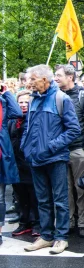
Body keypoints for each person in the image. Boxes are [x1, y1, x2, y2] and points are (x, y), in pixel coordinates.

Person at [22, 65, 80, 254]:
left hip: (55, 158)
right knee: (43, 200)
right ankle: (46, 236)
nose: (29, 83)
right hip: (36, 158)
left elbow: (74, 130)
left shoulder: (61, 99)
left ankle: (61, 237)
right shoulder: (33, 99)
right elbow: (28, 128)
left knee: (60, 200)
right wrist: (26, 147)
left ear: (44, 80)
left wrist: (51, 146)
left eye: (32, 79)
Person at [54, 65, 84, 238]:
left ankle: (82, 223)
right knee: (65, 190)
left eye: (58, 75)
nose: (55, 78)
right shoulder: (56, 97)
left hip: (79, 150)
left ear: (70, 77)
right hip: (60, 151)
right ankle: (70, 222)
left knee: (82, 189)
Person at [9, 90, 40, 237]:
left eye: (26, 102)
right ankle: (24, 221)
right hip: (16, 164)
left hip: (31, 163)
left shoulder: (34, 118)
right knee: (21, 195)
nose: (23, 105)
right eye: (20, 102)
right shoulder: (12, 121)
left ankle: (36, 223)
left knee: (34, 195)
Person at [0, 82, 23, 245]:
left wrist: (6, 92)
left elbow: (17, 112)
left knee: (0, 198)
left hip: (1, 156)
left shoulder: (3, 103)